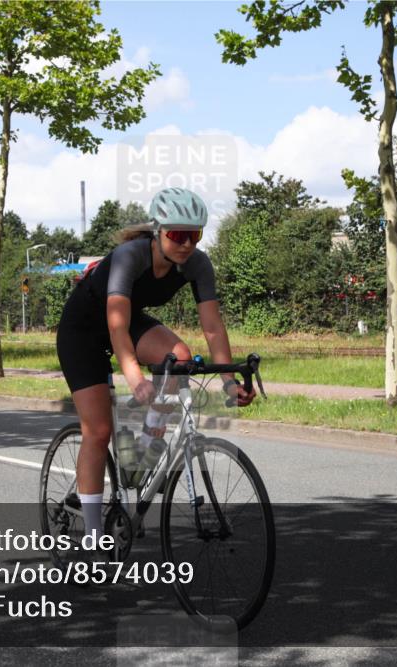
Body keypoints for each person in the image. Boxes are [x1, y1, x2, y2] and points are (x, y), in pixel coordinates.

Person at [56, 187, 255, 544]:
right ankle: (92, 533)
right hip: (84, 330)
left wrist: (228, 381)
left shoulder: (197, 264)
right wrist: (134, 377)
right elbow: (115, 325)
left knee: (179, 356)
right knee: (99, 431)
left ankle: (147, 452)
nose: (187, 244)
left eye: (195, 235)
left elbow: (212, 328)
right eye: (178, 235)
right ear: (158, 230)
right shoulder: (128, 256)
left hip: (128, 323)